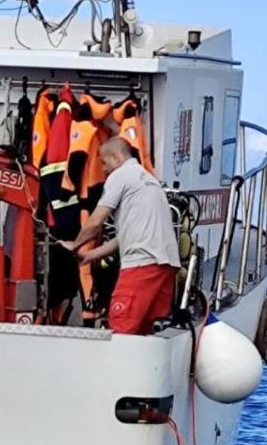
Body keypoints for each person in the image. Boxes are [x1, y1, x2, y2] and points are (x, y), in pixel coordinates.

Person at [62, 137, 180, 334]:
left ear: (116, 158)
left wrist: (74, 245)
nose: (104, 170)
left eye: (104, 163)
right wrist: (91, 255)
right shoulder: (150, 181)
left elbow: (95, 222)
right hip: (165, 267)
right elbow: (126, 235)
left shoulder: (120, 176)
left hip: (140, 267)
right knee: (147, 335)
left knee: (121, 330)